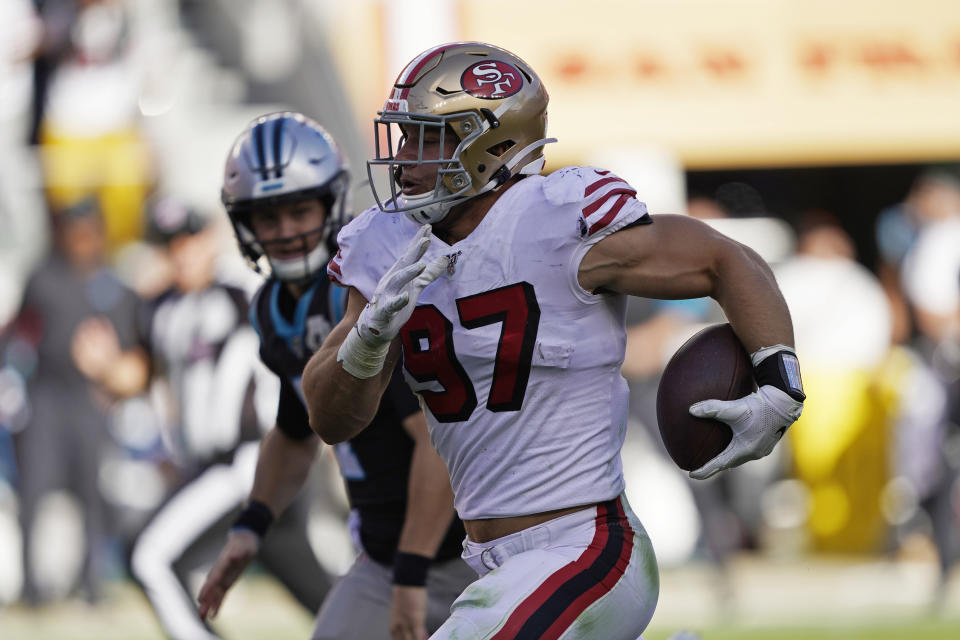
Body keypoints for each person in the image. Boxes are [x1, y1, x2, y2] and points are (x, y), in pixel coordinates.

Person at [303, 42, 806, 639]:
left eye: (428, 138)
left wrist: (779, 382)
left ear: (492, 143)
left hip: (587, 547)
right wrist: (366, 341)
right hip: (488, 559)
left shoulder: (559, 216)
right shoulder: (385, 242)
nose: (406, 158)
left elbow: (727, 259)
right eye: (404, 137)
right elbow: (332, 420)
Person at [196, 112, 474, 640]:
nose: (285, 233)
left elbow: (436, 443)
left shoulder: (370, 291)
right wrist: (252, 525)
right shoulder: (273, 308)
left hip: (467, 551)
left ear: (329, 202)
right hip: (386, 556)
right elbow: (295, 431)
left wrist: (412, 574)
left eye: (299, 211)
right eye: (267, 218)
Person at [96, 196, 330, 640]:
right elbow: (139, 373)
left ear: (210, 238)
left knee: (149, 556)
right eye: (169, 245)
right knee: (313, 586)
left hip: (250, 460)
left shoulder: (242, 289)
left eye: (189, 240)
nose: (181, 254)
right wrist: (105, 369)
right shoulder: (160, 308)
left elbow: (304, 330)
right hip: (209, 467)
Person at [4, 197, 141, 605]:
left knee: (93, 493)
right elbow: (19, 330)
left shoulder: (113, 285)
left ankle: (91, 585)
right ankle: (31, 589)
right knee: (33, 492)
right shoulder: (44, 277)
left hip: (90, 401)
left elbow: (131, 345)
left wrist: (113, 378)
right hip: (46, 396)